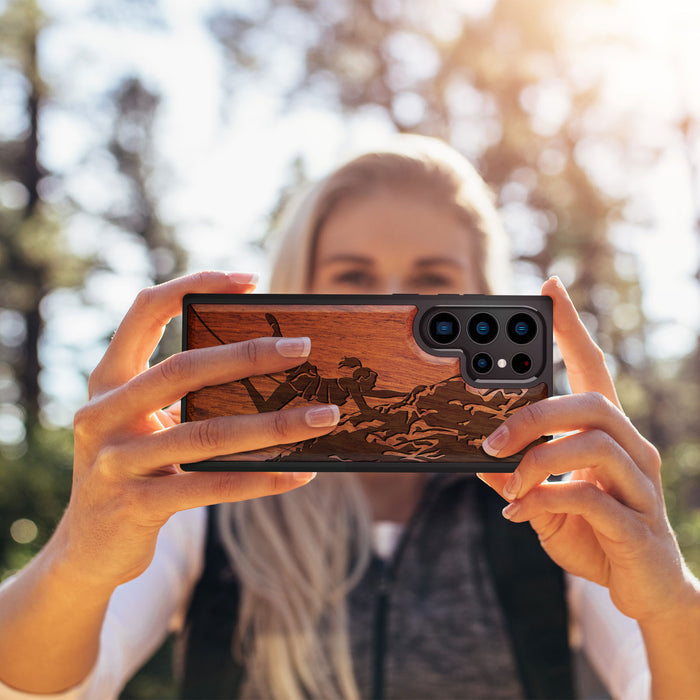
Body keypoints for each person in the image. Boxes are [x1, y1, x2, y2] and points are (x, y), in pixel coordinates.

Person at [0, 135, 699, 700]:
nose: (392, 303)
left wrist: (670, 603)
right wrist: (78, 559)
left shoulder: (553, 498)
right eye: (353, 279)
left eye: (431, 280)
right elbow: (40, 686)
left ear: (486, 300)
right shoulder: (203, 494)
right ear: (299, 293)